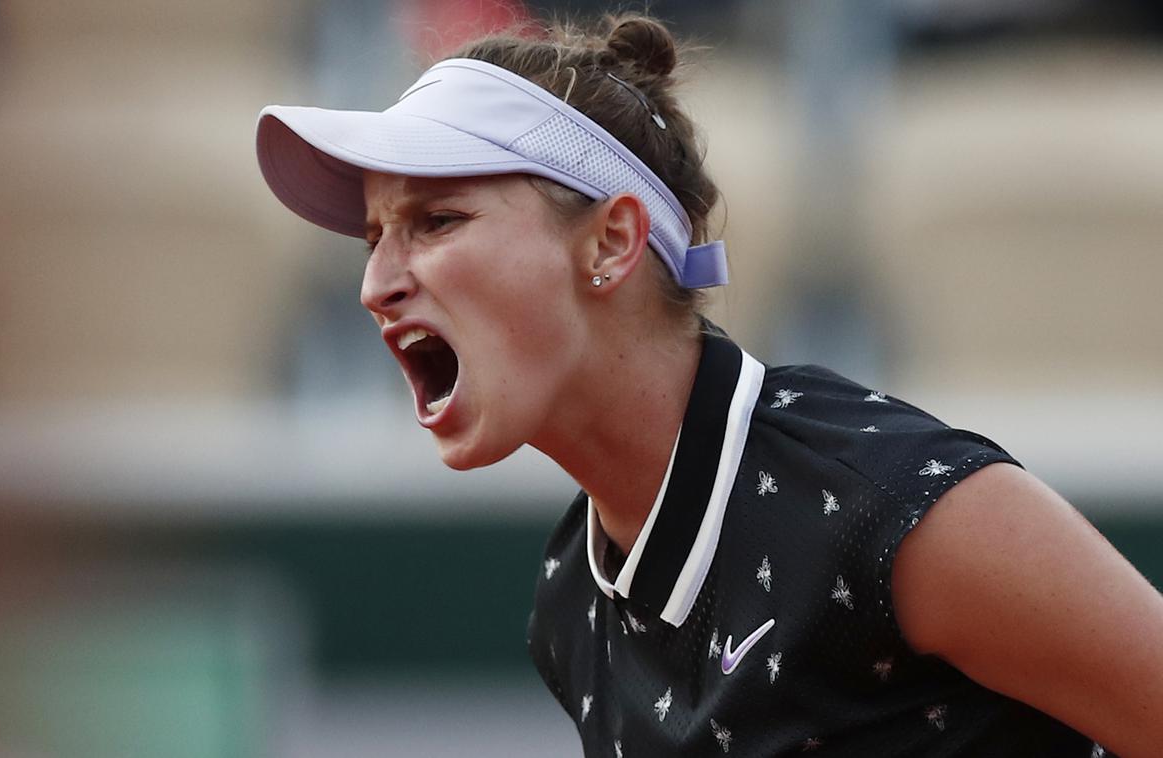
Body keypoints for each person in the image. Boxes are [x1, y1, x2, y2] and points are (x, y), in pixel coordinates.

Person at [255, 13, 1163, 757]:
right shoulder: (571, 597)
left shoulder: (885, 507)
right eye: (376, 238)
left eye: (437, 220)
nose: (376, 284)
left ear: (611, 242)